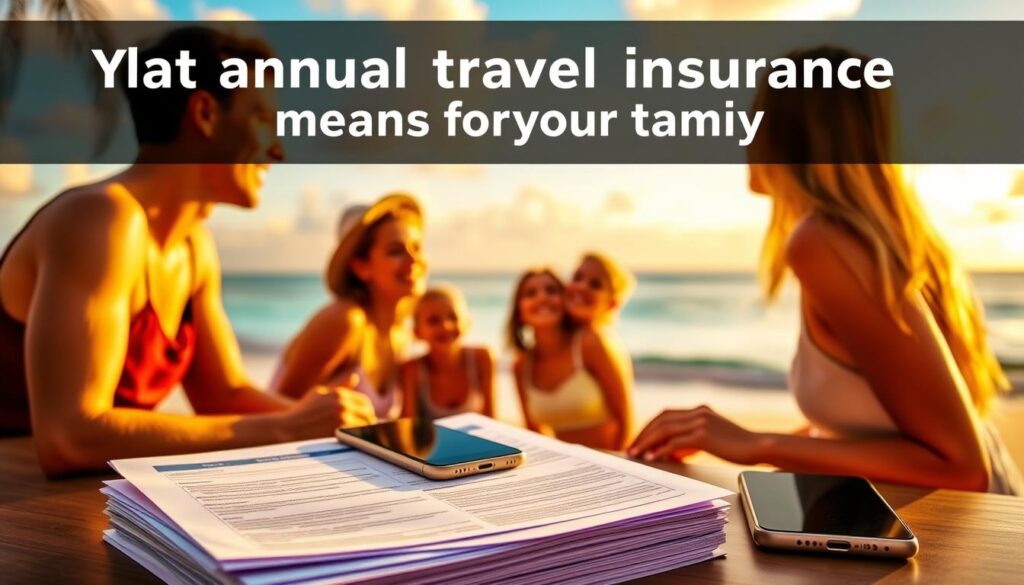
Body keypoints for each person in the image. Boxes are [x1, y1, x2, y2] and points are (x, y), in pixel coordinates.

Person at [629, 47, 1022, 495]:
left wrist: (758, 443)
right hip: (943, 517)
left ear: (795, 134)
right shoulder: (894, 242)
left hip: (968, 534)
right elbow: (869, 431)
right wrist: (745, 450)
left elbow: (961, 467)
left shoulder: (824, 243)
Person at [0, 27, 374, 477]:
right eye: (262, 118)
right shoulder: (100, 218)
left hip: (85, 501)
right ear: (205, 113)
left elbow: (226, 395)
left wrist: (346, 432)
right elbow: (71, 437)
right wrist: (285, 428)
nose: (278, 151)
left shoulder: (194, 247)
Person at [273, 194, 426, 421]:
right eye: (396, 251)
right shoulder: (345, 321)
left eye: (417, 247)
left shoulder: (401, 333)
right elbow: (279, 417)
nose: (414, 260)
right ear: (361, 267)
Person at [509, 267, 633, 450]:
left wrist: (618, 467)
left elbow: (626, 420)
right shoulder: (521, 365)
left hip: (614, 461)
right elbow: (534, 433)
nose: (542, 297)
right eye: (530, 293)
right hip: (568, 468)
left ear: (564, 301)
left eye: (551, 290)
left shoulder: (589, 343)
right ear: (519, 313)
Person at [399, 285, 495, 419]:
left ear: (466, 322)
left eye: (453, 317)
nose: (446, 326)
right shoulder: (412, 369)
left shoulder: (481, 358)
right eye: (434, 321)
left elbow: (491, 419)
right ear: (417, 332)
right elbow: (407, 424)